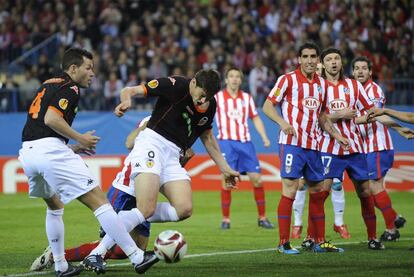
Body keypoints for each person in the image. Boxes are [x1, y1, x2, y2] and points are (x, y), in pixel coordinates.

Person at [86, 69, 240, 273]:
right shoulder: (175, 85)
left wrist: (225, 169)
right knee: (146, 209)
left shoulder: (210, 106)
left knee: (184, 209)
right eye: (201, 94)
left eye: (208, 97)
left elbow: (208, 139)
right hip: (152, 144)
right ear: (193, 82)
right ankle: (95, 253)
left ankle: (127, 217)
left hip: (173, 154)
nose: (203, 100)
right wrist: (126, 101)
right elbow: (130, 90)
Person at [18, 48, 147, 277]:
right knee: (100, 201)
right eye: (88, 68)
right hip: (50, 152)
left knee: (55, 207)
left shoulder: (49, 83)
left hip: (29, 152)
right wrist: (81, 138)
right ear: (73, 68)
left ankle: (60, 265)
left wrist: (71, 147)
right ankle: (137, 257)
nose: (92, 73)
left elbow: (40, 126)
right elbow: (51, 118)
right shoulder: (71, 88)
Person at [30, 116, 196, 273]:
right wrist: (147, 127)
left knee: (130, 249)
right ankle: (59, 255)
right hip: (125, 189)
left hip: (145, 193)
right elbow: (129, 143)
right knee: (115, 244)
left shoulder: (183, 130)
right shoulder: (154, 119)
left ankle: (81, 251)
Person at [262, 42, 350, 254]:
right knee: (290, 189)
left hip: (314, 146)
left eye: (313, 57)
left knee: (319, 191)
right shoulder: (287, 80)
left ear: (317, 60)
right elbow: (267, 106)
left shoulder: (321, 84)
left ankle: (319, 241)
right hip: (292, 144)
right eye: (305, 57)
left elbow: (321, 115)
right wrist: (282, 123)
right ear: (299, 59)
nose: (310, 60)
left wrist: (337, 135)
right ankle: (283, 243)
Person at [352, 56, 410, 241]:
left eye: (364, 68)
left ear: (370, 72)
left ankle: (391, 228)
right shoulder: (351, 91)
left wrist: (345, 120)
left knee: (373, 187)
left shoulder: (374, 90)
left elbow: (375, 115)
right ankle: (393, 218)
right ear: (352, 72)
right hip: (363, 147)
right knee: (367, 190)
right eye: (357, 68)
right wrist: (400, 129)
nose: (360, 71)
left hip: (377, 145)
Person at [215, 67, 273, 230]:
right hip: (227, 143)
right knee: (227, 181)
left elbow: (255, 118)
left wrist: (264, 137)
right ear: (226, 80)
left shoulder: (247, 98)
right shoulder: (218, 98)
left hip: (246, 144)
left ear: (241, 80)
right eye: (231, 76)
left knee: (257, 179)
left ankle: (262, 218)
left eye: (237, 76)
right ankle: (225, 219)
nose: (234, 79)